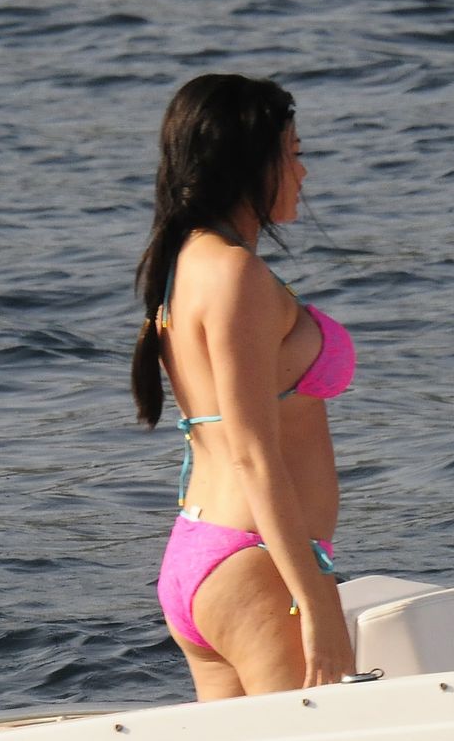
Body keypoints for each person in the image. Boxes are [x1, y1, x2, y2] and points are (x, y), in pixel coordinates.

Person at [131, 74, 357, 700]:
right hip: (256, 565)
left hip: (203, 555)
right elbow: (253, 454)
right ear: (249, 162)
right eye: (293, 154)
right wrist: (316, 603)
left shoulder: (185, 264)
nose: (303, 173)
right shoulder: (237, 275)